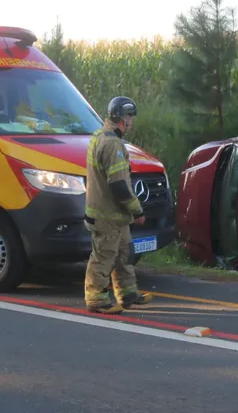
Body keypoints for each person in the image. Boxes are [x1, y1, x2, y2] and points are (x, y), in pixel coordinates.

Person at [82, 96, 154, 314]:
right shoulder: (113, 145)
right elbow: (119, 185)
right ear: (124, 118)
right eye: (130, 117)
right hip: (108, 216)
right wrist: (137, 210)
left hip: (115, 216)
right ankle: (96, 299)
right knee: (104, 257)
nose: (131, 122)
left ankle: (128, 294)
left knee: (124, 255)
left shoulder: (99, 136)